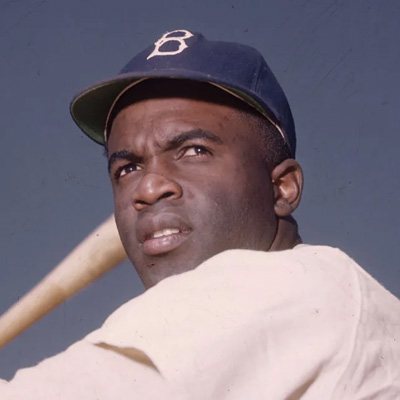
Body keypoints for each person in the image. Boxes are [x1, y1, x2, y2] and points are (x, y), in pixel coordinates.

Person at [1, 29, 399, 399]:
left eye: (194, 151)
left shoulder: (291, 286)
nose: (148, 188)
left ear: (283, 187)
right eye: (127, 168)